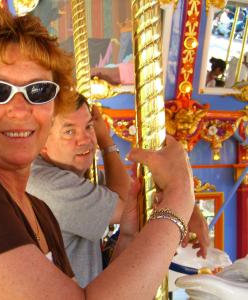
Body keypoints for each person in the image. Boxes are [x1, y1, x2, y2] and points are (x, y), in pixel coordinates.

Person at [0, 7, 195, 299]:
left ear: (52, 108)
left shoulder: (40, 213)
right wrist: (179, 199)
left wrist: (129, 235)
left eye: (39, 91)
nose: (20, 110)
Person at [27, 94, 210, 287]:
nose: (86, 140)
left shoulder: (71, 175)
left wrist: (190, 210)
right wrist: (106, 141)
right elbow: (132, 206)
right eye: (69, 132)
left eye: (89, 127)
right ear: (42, 142)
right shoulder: (47, 184)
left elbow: (134, 193)